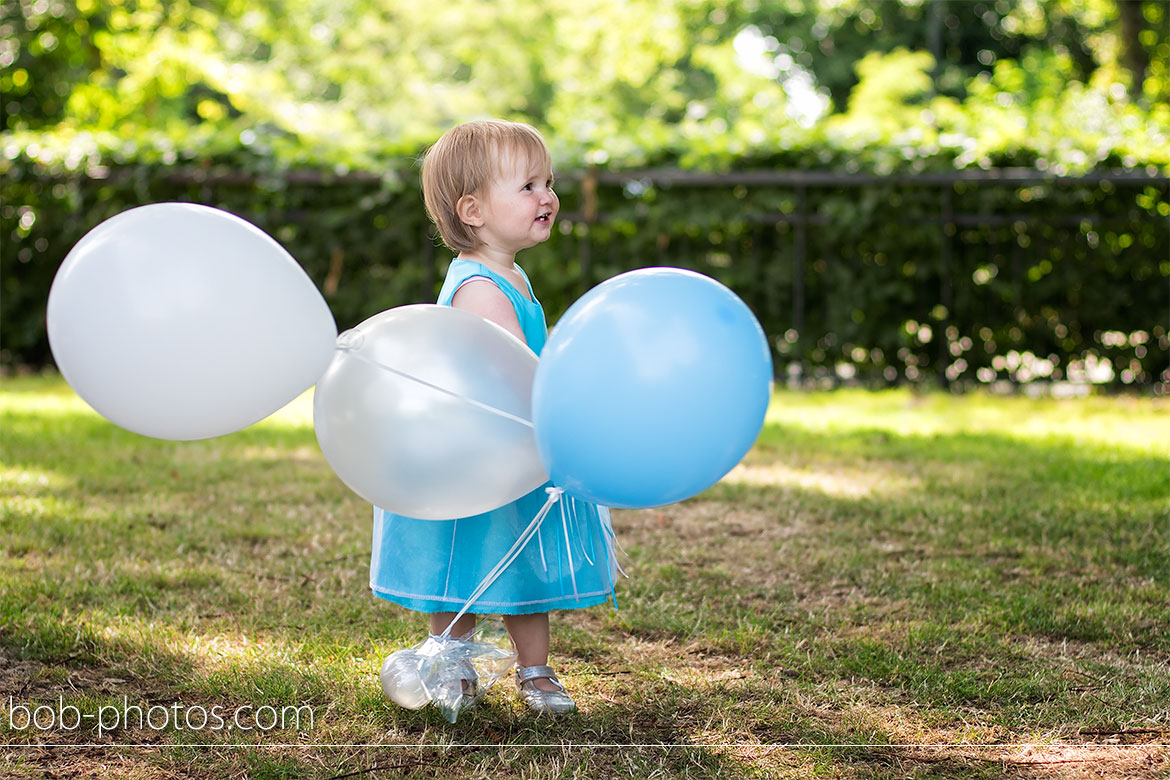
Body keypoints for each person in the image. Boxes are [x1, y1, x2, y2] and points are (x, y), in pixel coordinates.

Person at [370, 120, 620, 715]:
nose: (548, 197)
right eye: (528, 185)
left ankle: (534, 670)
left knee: (521, 563)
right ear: (473, 210)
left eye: (549, 182)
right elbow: (517, 368)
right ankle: (449, 659)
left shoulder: (512, 274)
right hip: (477, 453)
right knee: (462, 554)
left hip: (511, 448)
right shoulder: (479, 286)